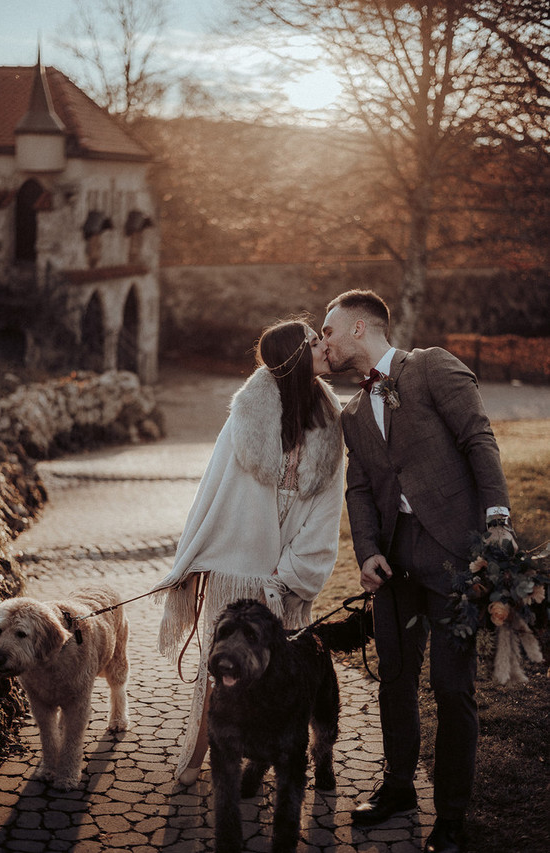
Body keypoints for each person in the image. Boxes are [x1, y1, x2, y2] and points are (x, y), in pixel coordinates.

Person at [321, 290, 515, 853]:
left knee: (452, 689)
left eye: (329, 330)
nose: (324, 342)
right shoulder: (352, 414)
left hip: (456, 555)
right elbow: (360, 488)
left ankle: (451, 816)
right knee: (395, 678)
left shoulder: (431, 366)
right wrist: (366, 552)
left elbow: (478, 438)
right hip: (394, 564)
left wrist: (497, 519)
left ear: (359, 328)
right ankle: (400, 787)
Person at [152, 319, 345, 785]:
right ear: (295, 357)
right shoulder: (247, 415)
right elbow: (215, 491)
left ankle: (269, 761)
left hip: (290, 575)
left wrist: (291, 573)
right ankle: (199, 755)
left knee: (280, 672)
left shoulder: (330, 422)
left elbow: (326, 510)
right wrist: (197, 558)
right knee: (221, 668)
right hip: (236, 571)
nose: (324, 346)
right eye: (314, 342)